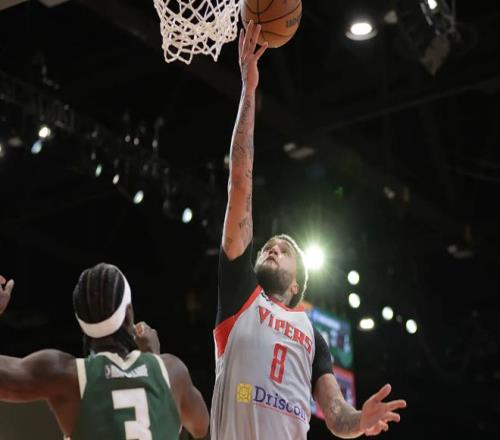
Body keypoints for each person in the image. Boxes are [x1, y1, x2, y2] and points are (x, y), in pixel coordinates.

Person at [210, 22, 407, 439]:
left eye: (283, 250)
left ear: (297, 283)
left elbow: (336, 414)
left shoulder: (312, 336)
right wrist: (249, 89)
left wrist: (361, 420)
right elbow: (240, 181)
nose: (271, 249)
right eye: (269, 246)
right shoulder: (240, 296)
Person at [0, 264, 209, 440]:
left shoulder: (65, 375)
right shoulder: (172, 371)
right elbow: (201, 426)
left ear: (81, 321)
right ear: (128, 314)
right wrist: (154, 359)